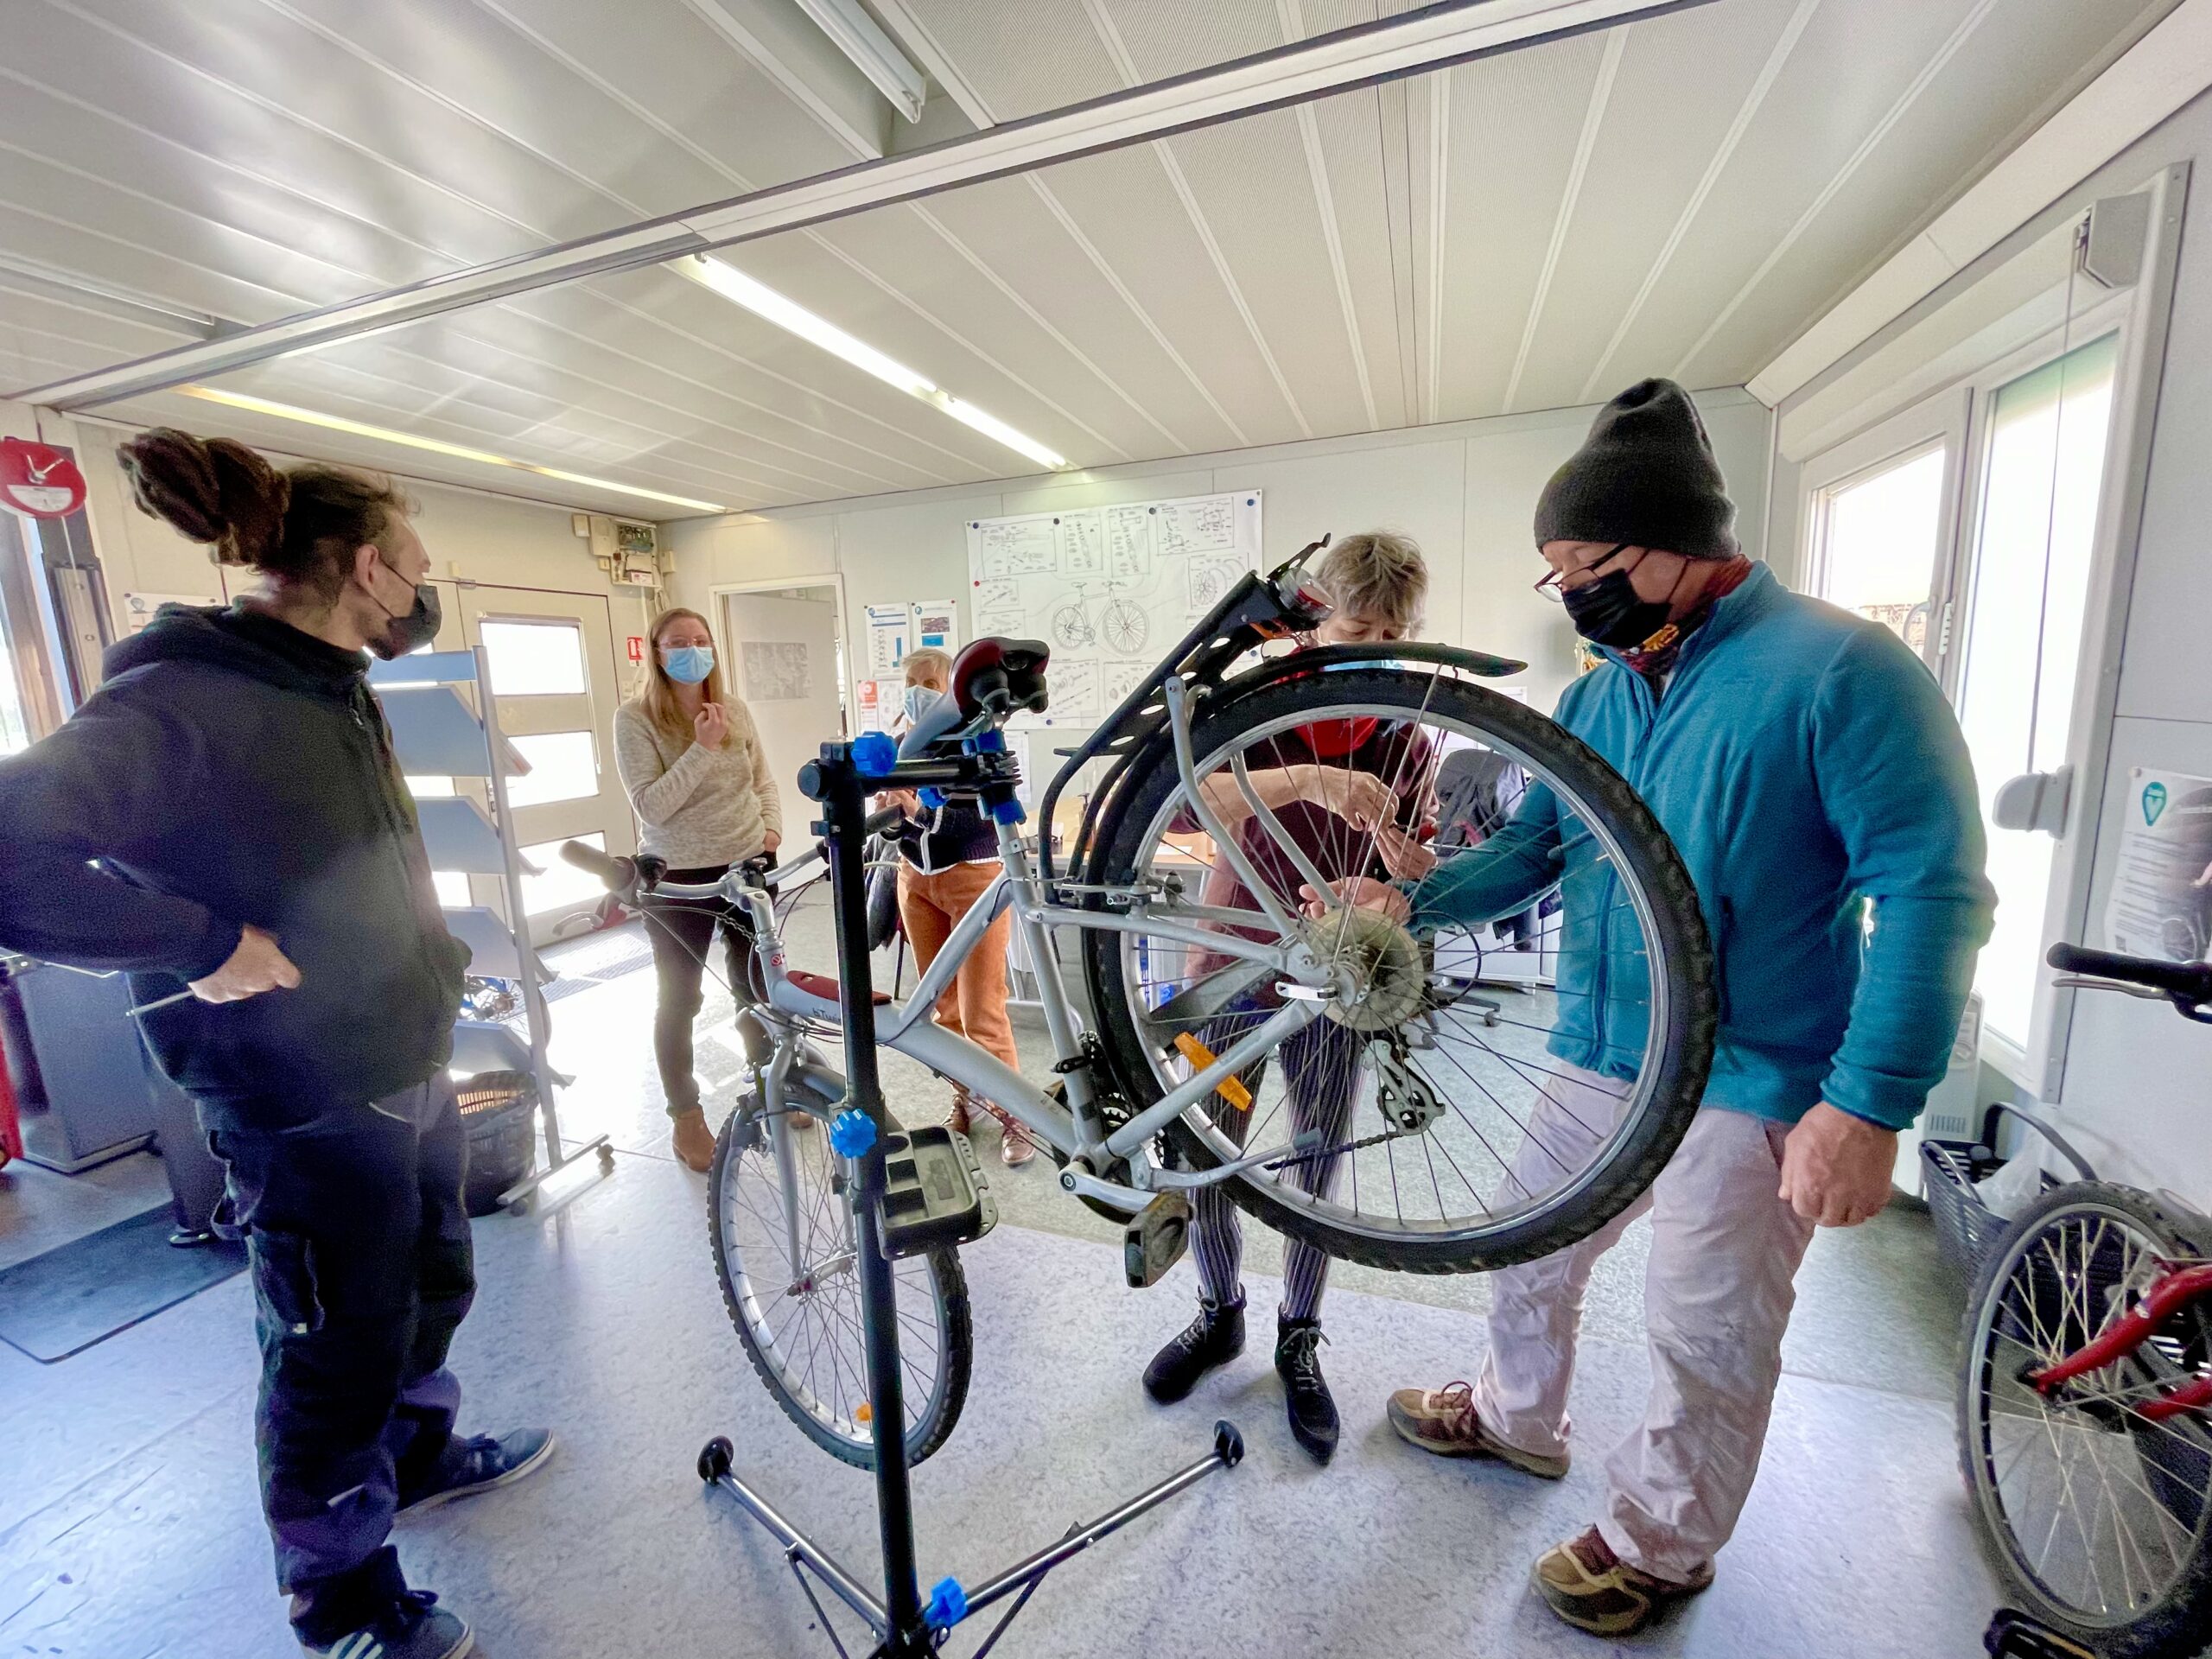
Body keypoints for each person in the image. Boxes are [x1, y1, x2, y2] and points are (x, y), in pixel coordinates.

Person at [1329, 380, 1993, 1636]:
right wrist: (1412, 900)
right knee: (1528, 1255)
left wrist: (1869, 1100)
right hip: (1598, 1053)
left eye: (1589, 561)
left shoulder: (1841, 669)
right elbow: (1535, 852)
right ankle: (1518, 1419)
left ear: (1683, 541)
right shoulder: (1598, 696)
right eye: (1556, 570)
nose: (1573, 589)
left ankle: (1661, 1540)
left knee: (1705, 1330)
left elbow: (1931, 890)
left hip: (1755, 1076)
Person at [0, 430, 552, 1659]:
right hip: (296, 1091)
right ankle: (341, 1595)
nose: (422, 589)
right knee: (329, 1342)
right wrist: (198, 940)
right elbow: (10, 849)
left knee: (426, 1289)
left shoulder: (331, 677)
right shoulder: (181, 697)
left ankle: (412, 1460)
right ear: (362, 566)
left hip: (399, 1056)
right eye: (413, 565)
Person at [1141, 531, 1438, 1464]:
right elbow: (1186, 801)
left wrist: (1404, 876)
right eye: (1358, 624)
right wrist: (1311, 777)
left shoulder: (1405, 729)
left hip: (1335, 972)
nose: (1374, 646)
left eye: (1393, 631)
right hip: (1225, 958)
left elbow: (1424, 858)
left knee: (1317, 1150)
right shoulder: (1260, 699)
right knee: (1208, 1142)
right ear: (1313, 616)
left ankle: (1298, 1333)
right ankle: (1218, 1310)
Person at [613, 607, 784, 1173]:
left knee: (757, 984)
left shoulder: (732, 709)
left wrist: (771, 828)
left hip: (748, 865)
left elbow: (762, 778)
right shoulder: (634, 719)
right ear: (656, 652)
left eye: (701, 640)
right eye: (678, 642)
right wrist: (702, 747)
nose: (692, 650)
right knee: (680, 999)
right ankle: (686, 1118)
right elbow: (651, 804)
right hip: (677, 879)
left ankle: (773, 1085)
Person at [884, 648, 1033, 1166]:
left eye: (929, 680)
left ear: (952, 686)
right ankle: (965, 1099)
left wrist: (918, 807)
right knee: (941, 1008)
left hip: (973, 880)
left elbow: (976, 819)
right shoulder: (902, 741)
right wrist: (896, 813)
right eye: (911, 681)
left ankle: (1017, 1117)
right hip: (916, 882)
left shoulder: (978, 734)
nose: (919, 689)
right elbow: (905, 824)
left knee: (982, 1011)